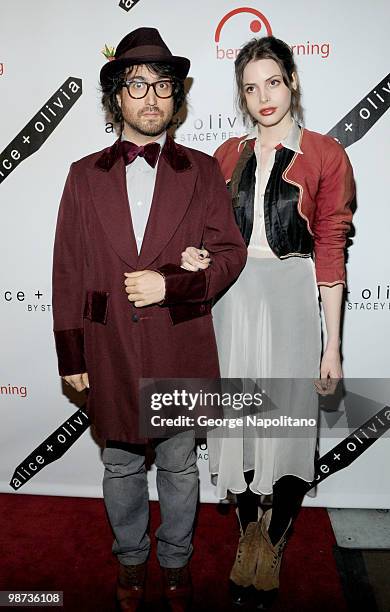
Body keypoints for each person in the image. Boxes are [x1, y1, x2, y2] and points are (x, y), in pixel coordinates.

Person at [52, 27, 246, 612]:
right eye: (138, 84)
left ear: (176, 98)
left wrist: (173, 284)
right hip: (108, 346)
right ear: (117, 97)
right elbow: (66, 268)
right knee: (119, 465)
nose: (152, 97)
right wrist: (73, 356)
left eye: (163, 85)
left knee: (180, 465)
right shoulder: (84, 175)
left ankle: (176, 562)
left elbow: (230, 254)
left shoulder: (202, 171)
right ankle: (132, 560)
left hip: (178, 344)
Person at [181, 35, 355, 608]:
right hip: (233, 300)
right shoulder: (225, 157)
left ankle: (274, 543)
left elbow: (331, 249)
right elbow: (211, 237)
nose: (263, 97)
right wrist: (199, 257)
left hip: (291, 297)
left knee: (286, 428)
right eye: (250, 87)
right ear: (241, 94)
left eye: (273, 82)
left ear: (293, 82)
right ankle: (246, 537)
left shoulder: (326, 155)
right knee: (239, 425)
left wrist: (331, 349)